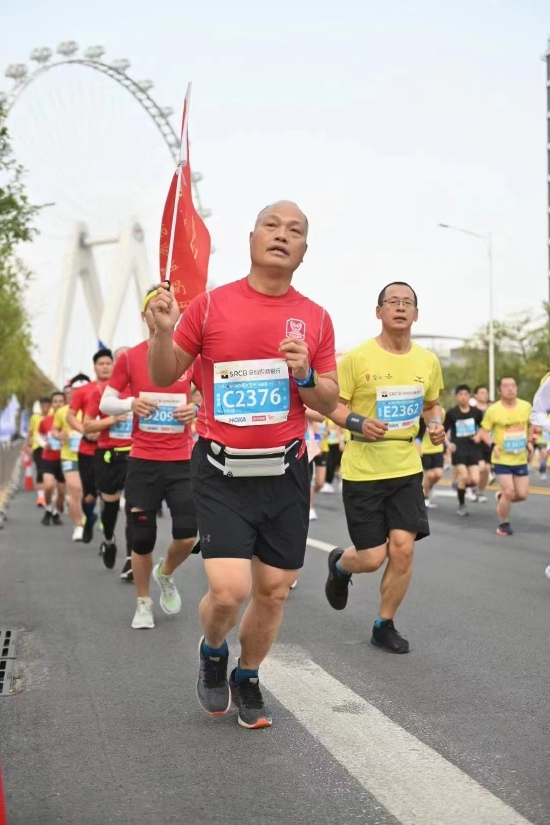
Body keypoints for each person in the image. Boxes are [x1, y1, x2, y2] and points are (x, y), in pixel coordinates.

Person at [148, 200, 338, 728]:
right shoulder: (209, 306)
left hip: (286, 469)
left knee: (274, 590)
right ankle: (213, 652)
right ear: (252, 238)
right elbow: (166, 376)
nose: (282, 235)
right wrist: (163, 333)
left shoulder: (317, 318)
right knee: (230, 591)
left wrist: (304, 377)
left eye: (295, 230)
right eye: (272, 226)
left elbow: (327, 400)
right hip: (220, 468)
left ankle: (247, 675)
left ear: (304, 250)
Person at [324, 281, 445, 654]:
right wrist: (360, 423)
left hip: (406, 466)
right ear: (379, 312)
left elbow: (431, 405)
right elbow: (332, 405)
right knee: (373, 557)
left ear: (416, 313)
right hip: (363, 468)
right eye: (392, 302)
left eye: (407, 302)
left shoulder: (427, 360)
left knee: (403, 548)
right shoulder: (358, 359)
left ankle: (384, 624)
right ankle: (342, 566)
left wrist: (436, 424)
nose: (400, 308)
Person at [100, 287, 201, 622]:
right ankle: (143, 602)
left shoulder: (188, 356)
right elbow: (106, 402)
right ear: (145, 317)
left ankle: (166, 572)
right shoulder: (129, 357)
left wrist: (196, 411)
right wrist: (131, 403)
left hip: (181, 459)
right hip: (143, 460)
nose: (159, 314)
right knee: (142, 536)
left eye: (166, 308)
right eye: (153, 309)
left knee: (187, 535)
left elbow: (209, 395)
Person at [84, 347, 134, 574]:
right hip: (108, 455)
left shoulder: (141, 389)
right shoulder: (102, 391)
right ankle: (109, 540)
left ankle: (131, 559)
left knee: (136, 507)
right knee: (110, 504)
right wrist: (112, 420)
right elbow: (88, 425)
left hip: (136, 455)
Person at [67, 353, 114, 544]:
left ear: (113, 366)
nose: (104, 367)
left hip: (111, 448)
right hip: (87, 449)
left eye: (108, 363)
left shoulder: (120, 389)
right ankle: (89, 520)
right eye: (100, 364)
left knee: (107, 492)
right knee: (88, 495)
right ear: (94, 367)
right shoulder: (82, 391)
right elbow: (71, 416)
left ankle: (108, 532)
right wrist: (84, 431)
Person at [479, 376, 533, 537]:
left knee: (522, 494)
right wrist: (493, 445)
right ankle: (504, 523)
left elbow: (530, 426)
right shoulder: (493, 410)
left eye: (513, 385)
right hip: (501, 458)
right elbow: (483, 432)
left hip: (520, 457)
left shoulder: (526, 406)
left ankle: (501, 498)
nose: (510, 389)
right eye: (506, 386)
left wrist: (530, 441)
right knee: (509, 491)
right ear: (499, 390)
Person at [52, 380, 87, 541]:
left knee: (88, 493)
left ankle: (86, 514)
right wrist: (58, 435)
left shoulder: (89, 409)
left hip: (88, 455)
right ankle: (78, 526)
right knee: (75, 490)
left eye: (72, 392)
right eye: (67, 393)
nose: (69, 396)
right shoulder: (62, 412)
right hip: (68, 455)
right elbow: (54, 429)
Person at [444, 385, 484, 517]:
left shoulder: (476, 412)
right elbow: (443, 431)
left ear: (469, 396)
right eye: (460, 394)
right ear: (456, 396)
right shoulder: (451, 413)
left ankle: (459, 485)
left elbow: (483, 427)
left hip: (473, 449)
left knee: (474, 480)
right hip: (458, 449)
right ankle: (462, 504)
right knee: (464, 476)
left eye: (466, 394)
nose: (463, 397)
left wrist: (478, 436)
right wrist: (448, 444)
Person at [38, 392, 66, 526]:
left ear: (65, 403)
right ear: (51, 404)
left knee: (61, 492)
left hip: (64, 459)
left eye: (61, 401)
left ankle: (55, 512)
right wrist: (45, 444)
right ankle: (48, 508)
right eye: (55, 401)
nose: (58, 404)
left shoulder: (69, 420)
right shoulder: (46, 421)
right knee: (48, 486)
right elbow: (39, 435)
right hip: (48, 458)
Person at [416, 408, 445, 508]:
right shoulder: (418, 417)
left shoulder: (440, 411)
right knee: (429, 475)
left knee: (438, 473)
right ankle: (426, 497)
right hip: (425, 449)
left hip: (438, 448)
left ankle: (428, 487)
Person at [473, 385, 491, 500]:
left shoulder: (491, 409)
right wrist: (478, 435)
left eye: (486, 393)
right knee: (481, 467)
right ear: (476, 395)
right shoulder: (472, 409)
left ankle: (480, 491)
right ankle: (471, 486)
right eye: (482, 392)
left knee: (487, 469)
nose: (484, 395)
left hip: (489, 441)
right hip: (475, 442)